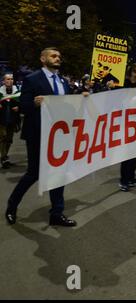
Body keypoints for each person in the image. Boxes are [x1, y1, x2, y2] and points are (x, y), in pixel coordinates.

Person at [5, 47, 87, 227]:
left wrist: (82, 98)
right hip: (37, 134)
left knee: (58, 173)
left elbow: (67, 106)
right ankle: (11, 206)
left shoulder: (64, 82)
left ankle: (56, 213)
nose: (58, 58)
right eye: (53, 56)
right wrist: (34, 103)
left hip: (58, 135)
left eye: (59, 56)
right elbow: (23, 106)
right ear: (43, 59)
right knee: (34, 173)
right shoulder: (32, 79)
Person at [118, 63, 136, 192]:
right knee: (127, 153)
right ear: (133, 73)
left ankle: (131, 177)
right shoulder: (122, 85)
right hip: (124, 123)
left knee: (135, 152)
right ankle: (123, 180)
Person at [0, 73, 21, 168]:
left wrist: (19, 107)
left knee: (9, 140)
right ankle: (4, 158)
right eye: (7, 79)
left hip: (12, 121)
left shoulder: (17, 92)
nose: (10, 81)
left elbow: (23, 104)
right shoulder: (0, 92)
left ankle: (4, 157)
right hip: (1, 120)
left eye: (11, 79)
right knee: (3, 138)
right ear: (3, 81)